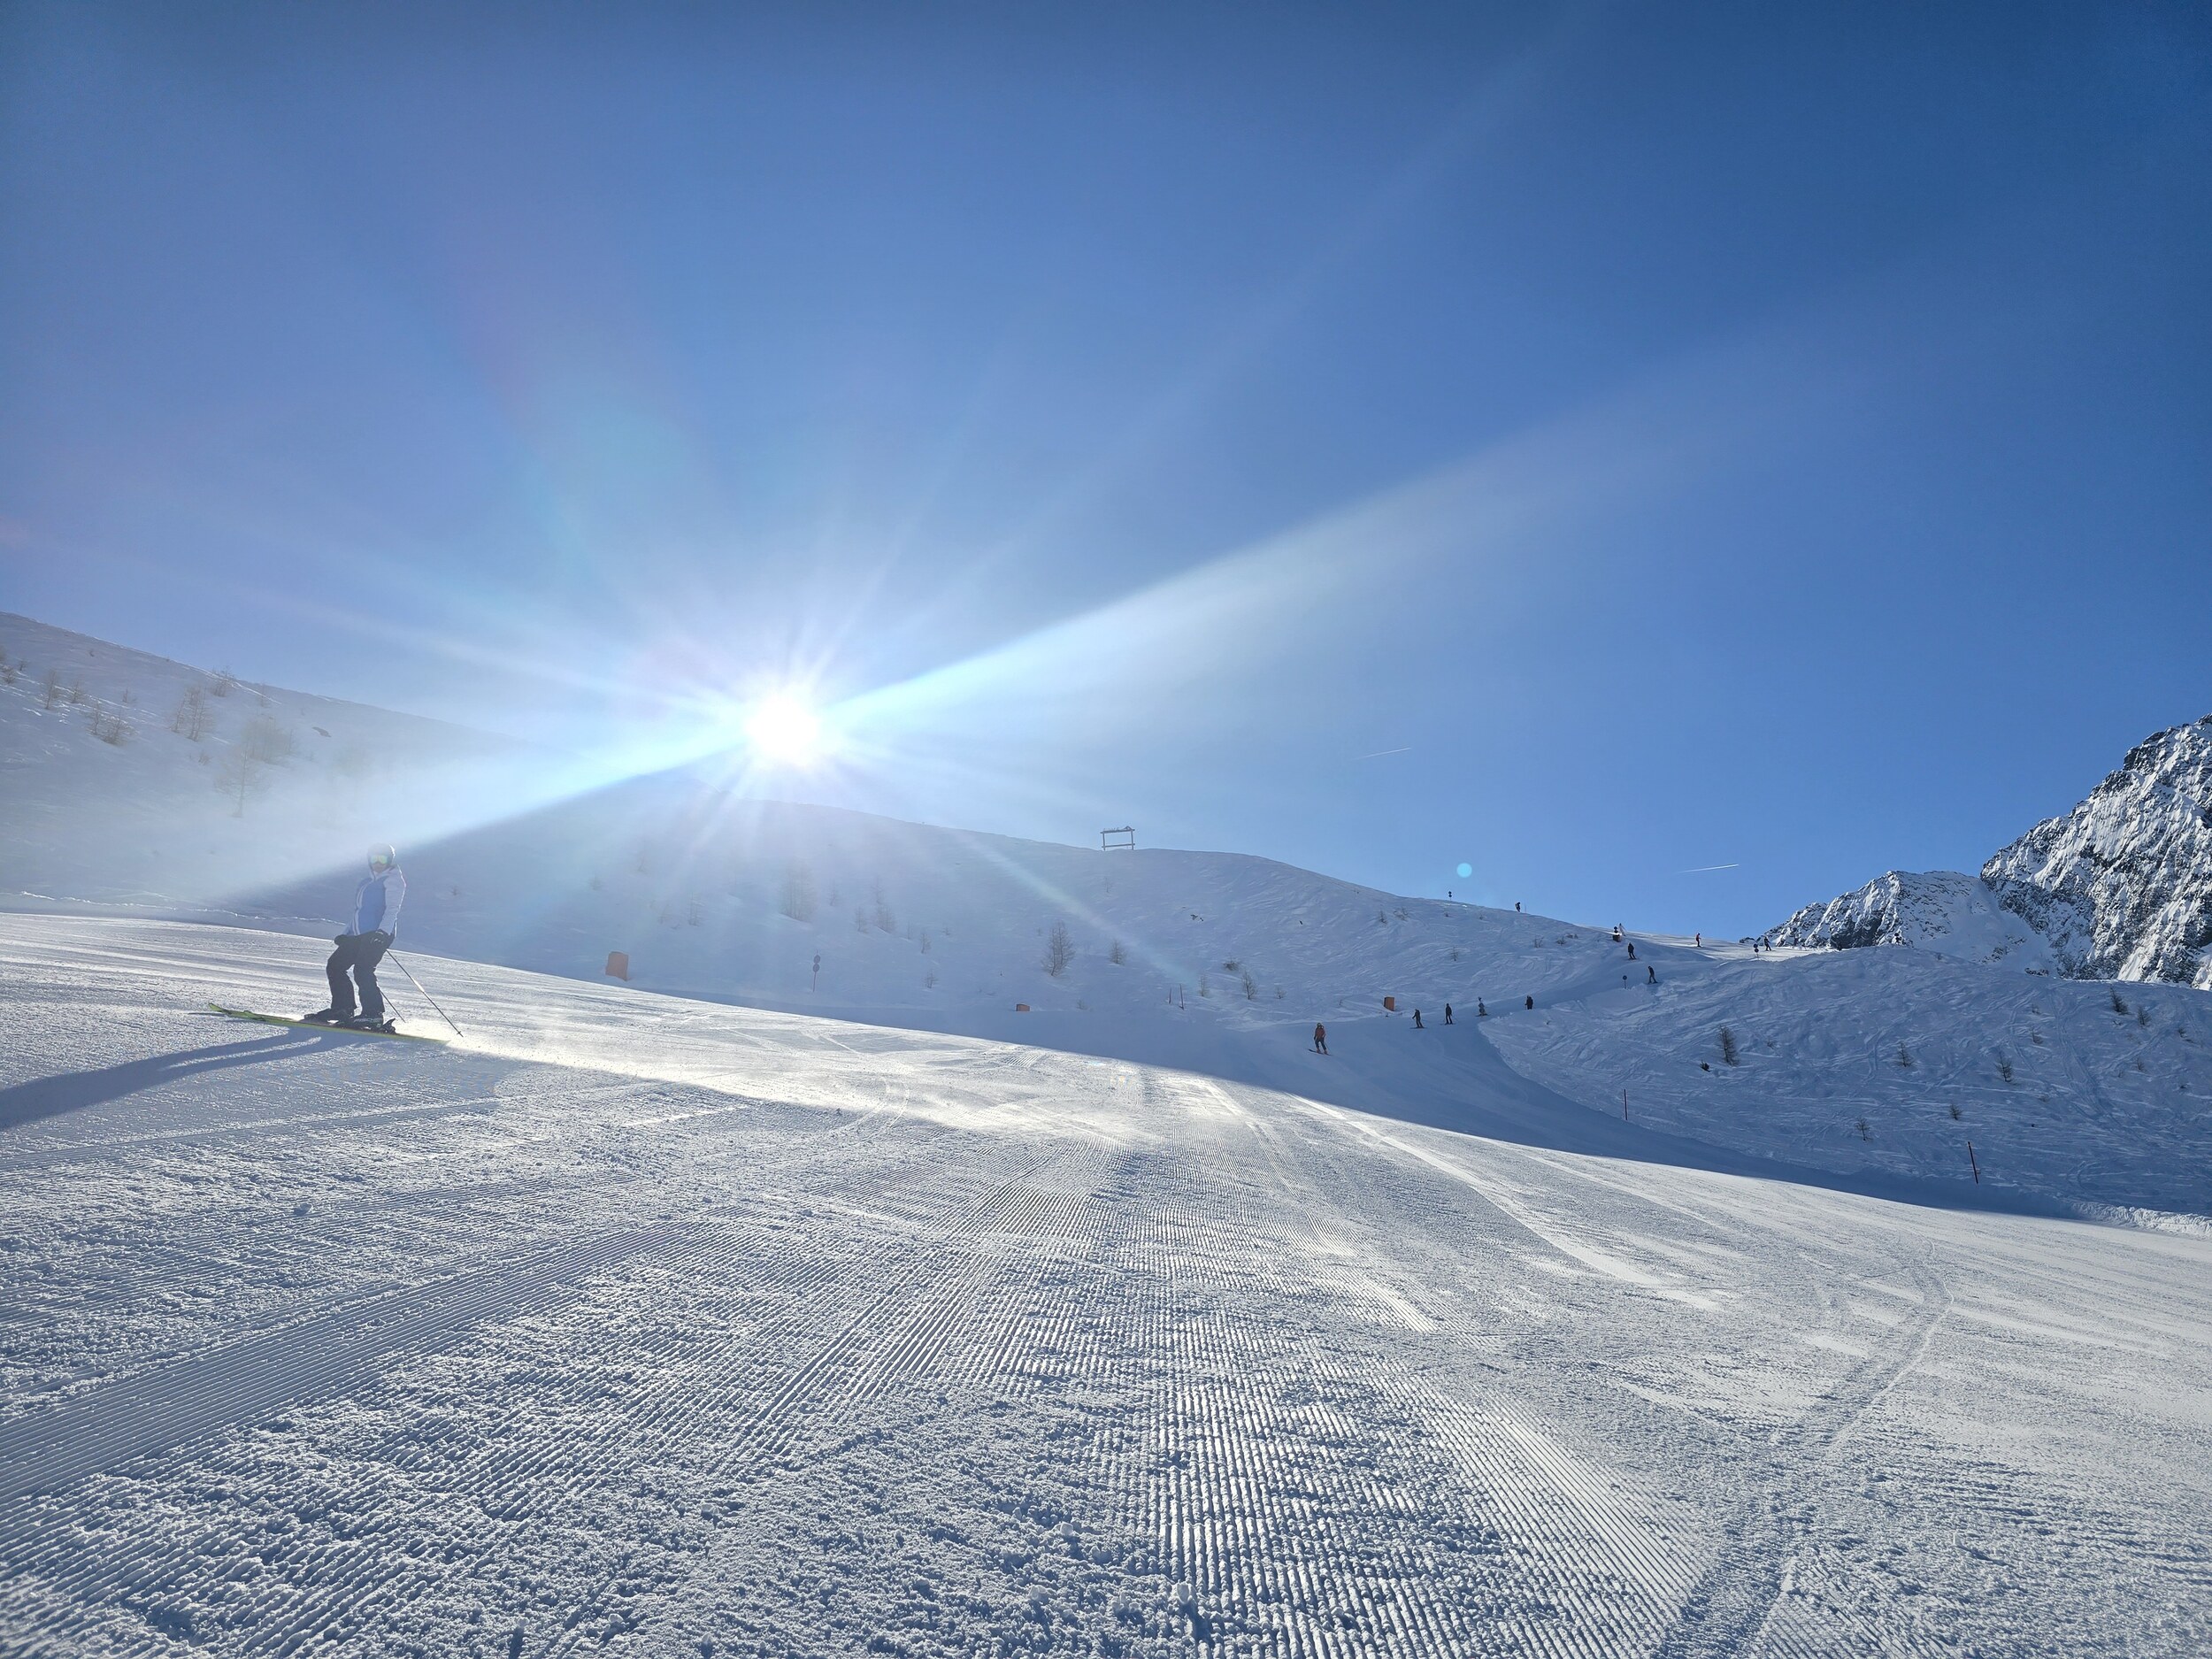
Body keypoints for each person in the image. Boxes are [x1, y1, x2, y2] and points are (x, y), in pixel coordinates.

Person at [309, 844, 405, 1027]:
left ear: (389, 860)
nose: (378, 862)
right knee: (335, 965)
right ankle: (342, 1008)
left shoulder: (393, 880)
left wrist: (382, 932)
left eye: (383, 859)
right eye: (374, 858)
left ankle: (373, 1014)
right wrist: (346, 934)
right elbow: (359, 912)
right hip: (358, 933)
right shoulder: (366, 883)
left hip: (378, 933)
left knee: (363, 970)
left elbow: (392, 909)